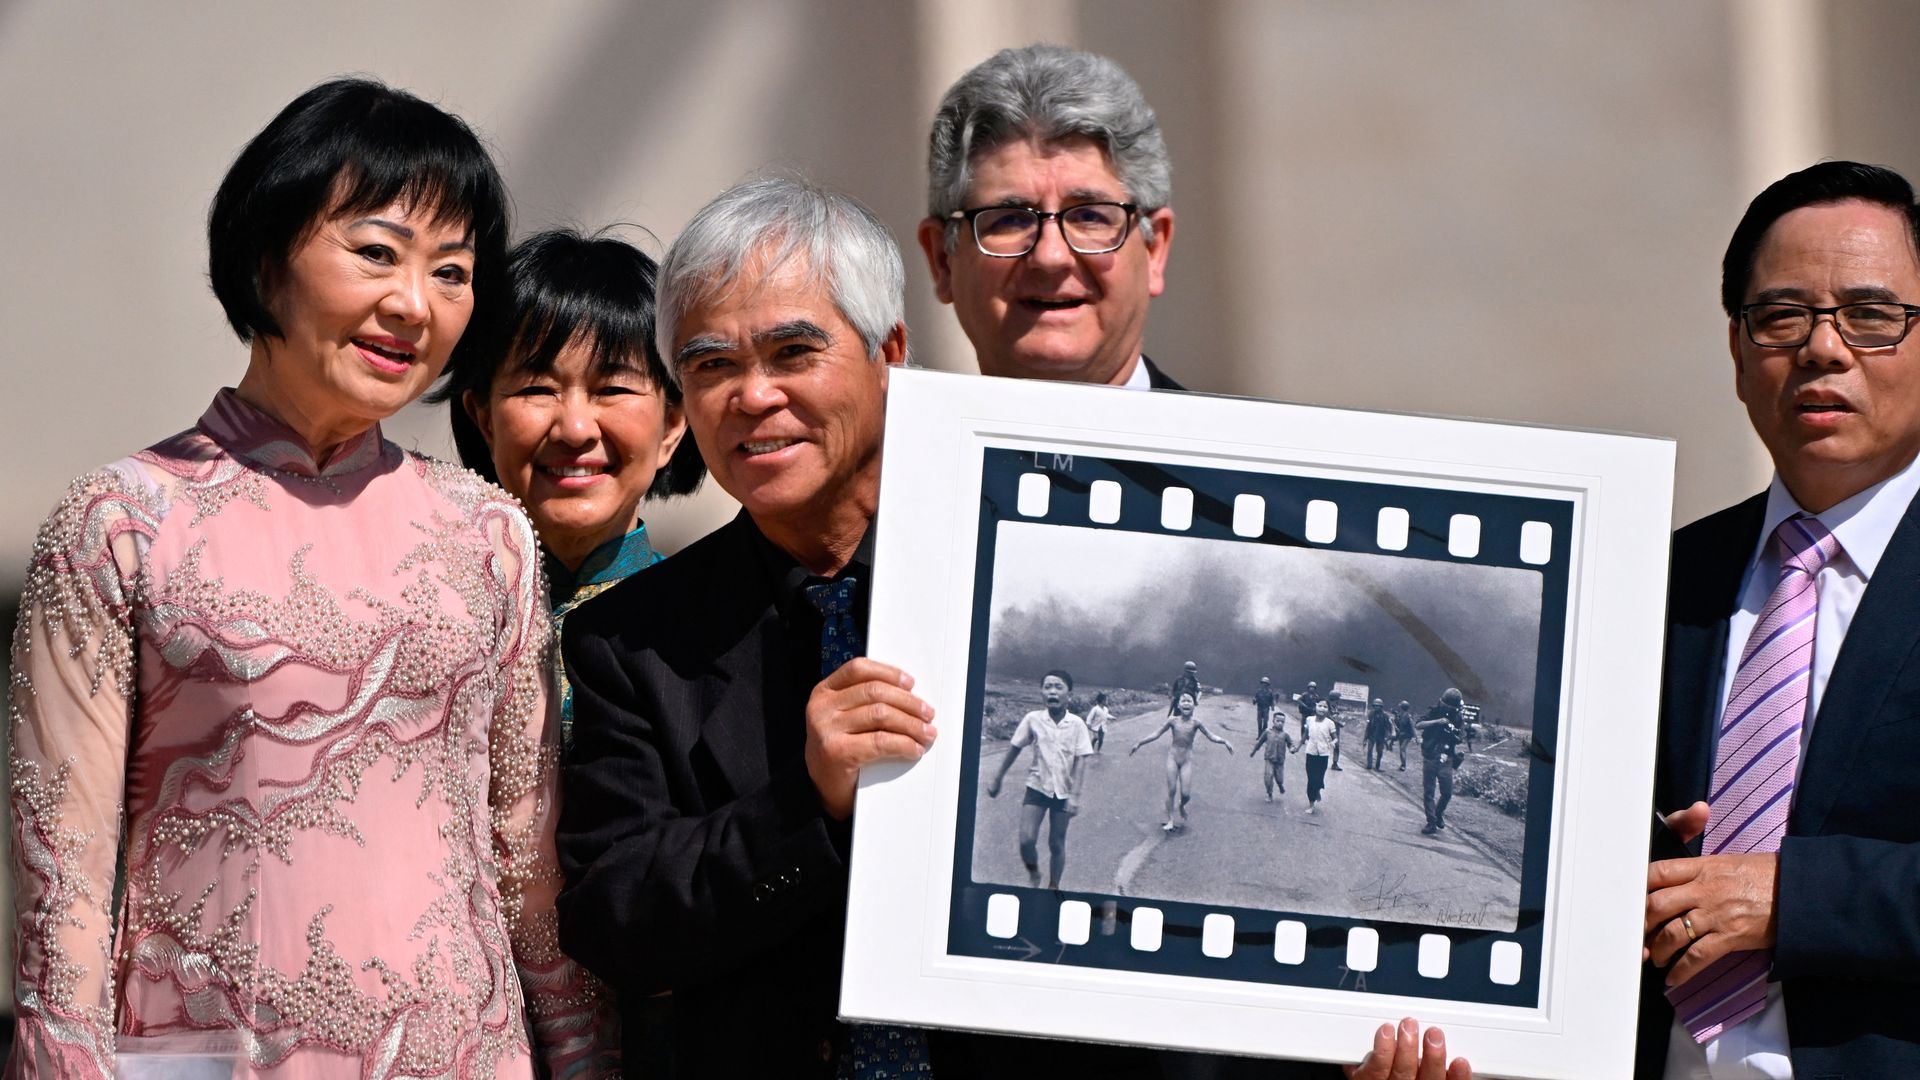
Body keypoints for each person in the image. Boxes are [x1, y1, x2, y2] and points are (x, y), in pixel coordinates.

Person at [5, 79, 617, 1077]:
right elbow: (61, 883)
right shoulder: (121, 524)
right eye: (376, 252)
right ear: (264, 255)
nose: (413, 304)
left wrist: (586, 1053)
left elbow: (527, 863)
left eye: (453, 273)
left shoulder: (487, 534)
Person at [1638, 161, 1920, 1078]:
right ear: (1737, 352)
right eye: (1782, 316)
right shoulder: (1655, 579)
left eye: (1872, 317)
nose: (1823, 349)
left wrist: (1791, 897)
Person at [437, 227, 705, 743]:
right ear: (484, 418)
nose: (576, 429)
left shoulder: (716, 629)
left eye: (612, 388)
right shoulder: (427, 614)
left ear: (673, 425)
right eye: (538, 388)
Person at [918, 44, 1184, 390]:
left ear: (1154, 251)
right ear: (943, 261)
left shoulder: (1241, 445)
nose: (1050, 256)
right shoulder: (902, 445)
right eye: (1009, 219)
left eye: (1090, 216)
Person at [985, 670, 1094, 888]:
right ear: (1042, 693)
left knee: (1056, 843)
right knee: (1026, 840)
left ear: (1069, 694)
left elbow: (1082, 760)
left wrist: (1075, 796)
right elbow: (1015, 747)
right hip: (1037, 787)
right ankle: (1034, 872)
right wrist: (998, 777)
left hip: (1063, 792)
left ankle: (1053, 886)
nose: (1052, 691)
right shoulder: (1033, 719)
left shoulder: (1077, 724)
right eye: (1048, 687)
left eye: (1058, 687)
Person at [1132, 692, 1233, 831]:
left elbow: (1211, 736)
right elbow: (1156, 733)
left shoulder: (1196, 723)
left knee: (1186, 794)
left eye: (1189, 701)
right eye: (1183, 701)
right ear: (1178, 705)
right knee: (1172, 789)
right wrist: (1139, 743)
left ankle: (1181, 806)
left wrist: (1224, 741)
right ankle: (1170, 820)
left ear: (1194, 705)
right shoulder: (1172, 721)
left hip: (1186, 760)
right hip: (1173, 757)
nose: (1186, 703)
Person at [1416, 689, 1466, 836]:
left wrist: (1454, 732)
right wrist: (1437, 722)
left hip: (1446, 758)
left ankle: (1438, 813)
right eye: (1447, 706)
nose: (1449, 710)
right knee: (1429, 791)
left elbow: (1461, 736)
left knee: (1447, 792)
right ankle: (1431, 822)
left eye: (1453, 708)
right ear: (1441, 702)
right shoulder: (1434, 712)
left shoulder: (1458, 718)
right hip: (1430, 756)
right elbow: (1418, 725)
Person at [1248, 711, 1297, 801]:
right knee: (1268, 776)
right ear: (1273, 721)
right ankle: (1269, 794)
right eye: (1278, 721)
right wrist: (1253, 751)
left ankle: (1280, 785)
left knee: (1279, 778)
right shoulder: (1267, 732)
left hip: (1279, 760)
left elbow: (1291, 743)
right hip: (1269, 758)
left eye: (1282, 722)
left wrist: (1292, 749)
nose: (1280, 723)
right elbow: (1259, 742)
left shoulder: (1285, 734)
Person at [1300, 702, 1339, 815]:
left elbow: (1335, 738)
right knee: (1311, 779)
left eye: (1325, 707)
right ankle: (1311, 804)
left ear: (1327, 709)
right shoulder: (1309, 719)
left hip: (1323, 755)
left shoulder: (1330, 723)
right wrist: (1297, 747)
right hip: (1310, 752)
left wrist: (1331, 744)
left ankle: (1317, 789)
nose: (1322, 708)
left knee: (1318, 778)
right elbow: (1305, 735)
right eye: (1320, 706)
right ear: (1315, 707)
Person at [1365, 698, 1393, 771]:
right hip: (1371, 735)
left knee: (1380, 752)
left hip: (1381, 736)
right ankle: (1369, 765)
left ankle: (1377, 766)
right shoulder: (1371, 714)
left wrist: (1387, 736)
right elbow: (1368, 726)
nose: (1377, 707)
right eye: (1375, 706)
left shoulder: (1385, 716)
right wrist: (1365, 737)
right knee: (1369, 750)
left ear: (1381, 707)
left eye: (1378, 706)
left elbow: (1388, 726)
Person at [1393, 699, 1417, 771]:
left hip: (1407, 735)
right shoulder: (1400, 715)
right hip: (1401, 735)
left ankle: (1403, 765)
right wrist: (1395, 717)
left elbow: (1412, 727)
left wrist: (1415, 737)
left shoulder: (1408, 716)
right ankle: (1402, 764)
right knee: (1401, 749)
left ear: (1402, 707)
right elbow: (1397, 724)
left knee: (1402, 749)